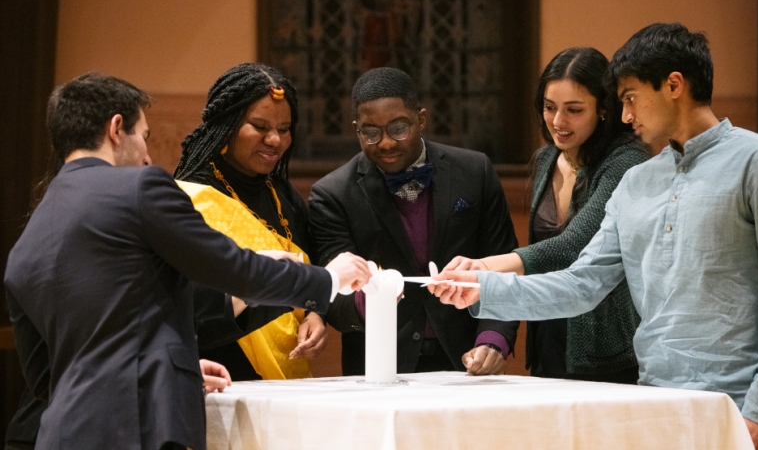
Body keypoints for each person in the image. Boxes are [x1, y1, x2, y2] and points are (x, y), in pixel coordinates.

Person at [430, 23, 758, 450]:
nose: (625, 116)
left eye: (630, 98)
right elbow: (582, 283)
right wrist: (481, 288)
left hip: (738, 405)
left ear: (673, 85)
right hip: (654, 401)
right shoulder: (637, 181)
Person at [3, 72, 371, 450]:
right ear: (116, 128)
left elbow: (51, 376)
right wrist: (326, 281)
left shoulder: (30, 237)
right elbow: (234, 270)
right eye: (144, 137)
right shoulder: (139, 187)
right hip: (138, 432)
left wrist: (170, 370)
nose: (147, 156)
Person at [444, 48, 649, 383]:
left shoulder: (626, 161)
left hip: (606, 348)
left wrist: (483, 267)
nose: (557, 122)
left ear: (603, 109)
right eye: (549, 107)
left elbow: (572, 246)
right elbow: (541, 248)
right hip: (547, 337)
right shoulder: (545, 159)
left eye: (574, 110)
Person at [308, 67, 519, 376]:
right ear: (356, 129)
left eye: (398, 128)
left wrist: (494, 338)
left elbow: (504, 264)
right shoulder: (332, 194)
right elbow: (335, 300)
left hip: (468, 359)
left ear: (421, 118)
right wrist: (372, 299)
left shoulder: (474, 172)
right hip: (379, 368)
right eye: (370, 132)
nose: (385, 143)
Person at [173, 63, 325, 381]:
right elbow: (186, 301)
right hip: (221, 371)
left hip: (290, 374)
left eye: (284, 130)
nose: (275, 140)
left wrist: (315, 313)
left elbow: (313, 269)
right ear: (227, 124)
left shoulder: (285, 196)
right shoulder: (188, 197)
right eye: (259, 126)